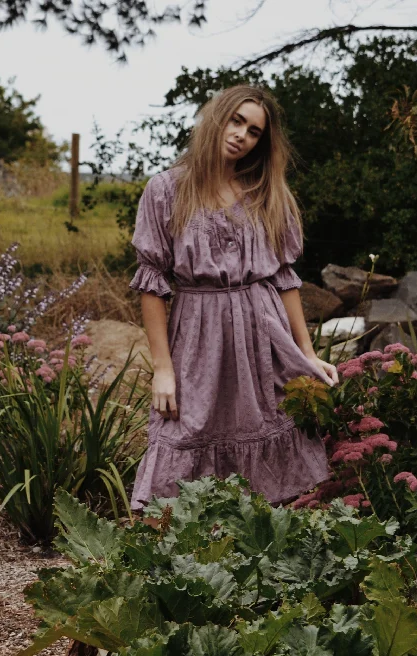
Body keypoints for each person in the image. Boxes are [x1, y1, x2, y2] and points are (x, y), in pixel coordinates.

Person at [128, 84, 339, 512]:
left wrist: (307, 351)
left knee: (276, 428)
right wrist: (162, 369)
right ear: (215, 118)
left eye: (255, 131)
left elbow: (284, 278)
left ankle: (262, 550)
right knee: (182, 430)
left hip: (263, 331)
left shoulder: (266, 194)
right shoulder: (166, 190)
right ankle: (170, 556)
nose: (242, 135)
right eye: (236, 121)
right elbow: (152, 282)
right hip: (198, 334)